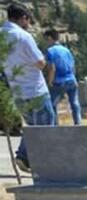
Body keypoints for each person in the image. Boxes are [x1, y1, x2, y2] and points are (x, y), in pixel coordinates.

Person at [2, 4, 55, 172]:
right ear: (23, 18)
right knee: (46, 126)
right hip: (35, 89)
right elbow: (39, 62)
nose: (29, 23)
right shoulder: (23, 36)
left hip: (17, 90)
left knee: (33, 126)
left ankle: (26, 157)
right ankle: (28, 157)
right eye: (28, 20)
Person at [43, 28, 77, 125]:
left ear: (49, 38)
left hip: (58, 81)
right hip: (71, 79)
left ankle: (55, 125)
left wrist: (50, 81)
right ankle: (78, 123)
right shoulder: (66, 50)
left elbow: (52, 68)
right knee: (74, 103)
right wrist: (74, 79)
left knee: (52, 104)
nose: (46, 42)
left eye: (46, 39)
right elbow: (72, 65)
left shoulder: (50, 51)